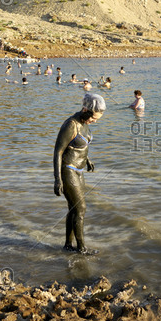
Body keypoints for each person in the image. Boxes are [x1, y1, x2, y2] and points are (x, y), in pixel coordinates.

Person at [53, 94, 106, 254]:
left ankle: (68, 245)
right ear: (85, 110)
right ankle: (82, 248)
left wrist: (87, 160)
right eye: (94, 117)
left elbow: (79, 145)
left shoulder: (84, 123)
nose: (94, 121)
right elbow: (58, 152)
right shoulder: (71, 124)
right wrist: (57, 179)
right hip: (68, 169)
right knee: (81, 208)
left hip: (79, 171)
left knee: (73, 209)